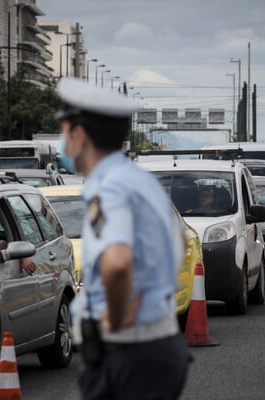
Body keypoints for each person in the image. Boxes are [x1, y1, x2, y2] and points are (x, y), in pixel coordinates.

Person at [57, 77, 189, 400]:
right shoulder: (140, 180)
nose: (60, 141)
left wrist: (116, 319)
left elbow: (117, 263)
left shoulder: (109, 187)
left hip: (128, 353)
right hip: (158, 345)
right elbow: (180, 244)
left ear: (80, 135)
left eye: (63, 130)